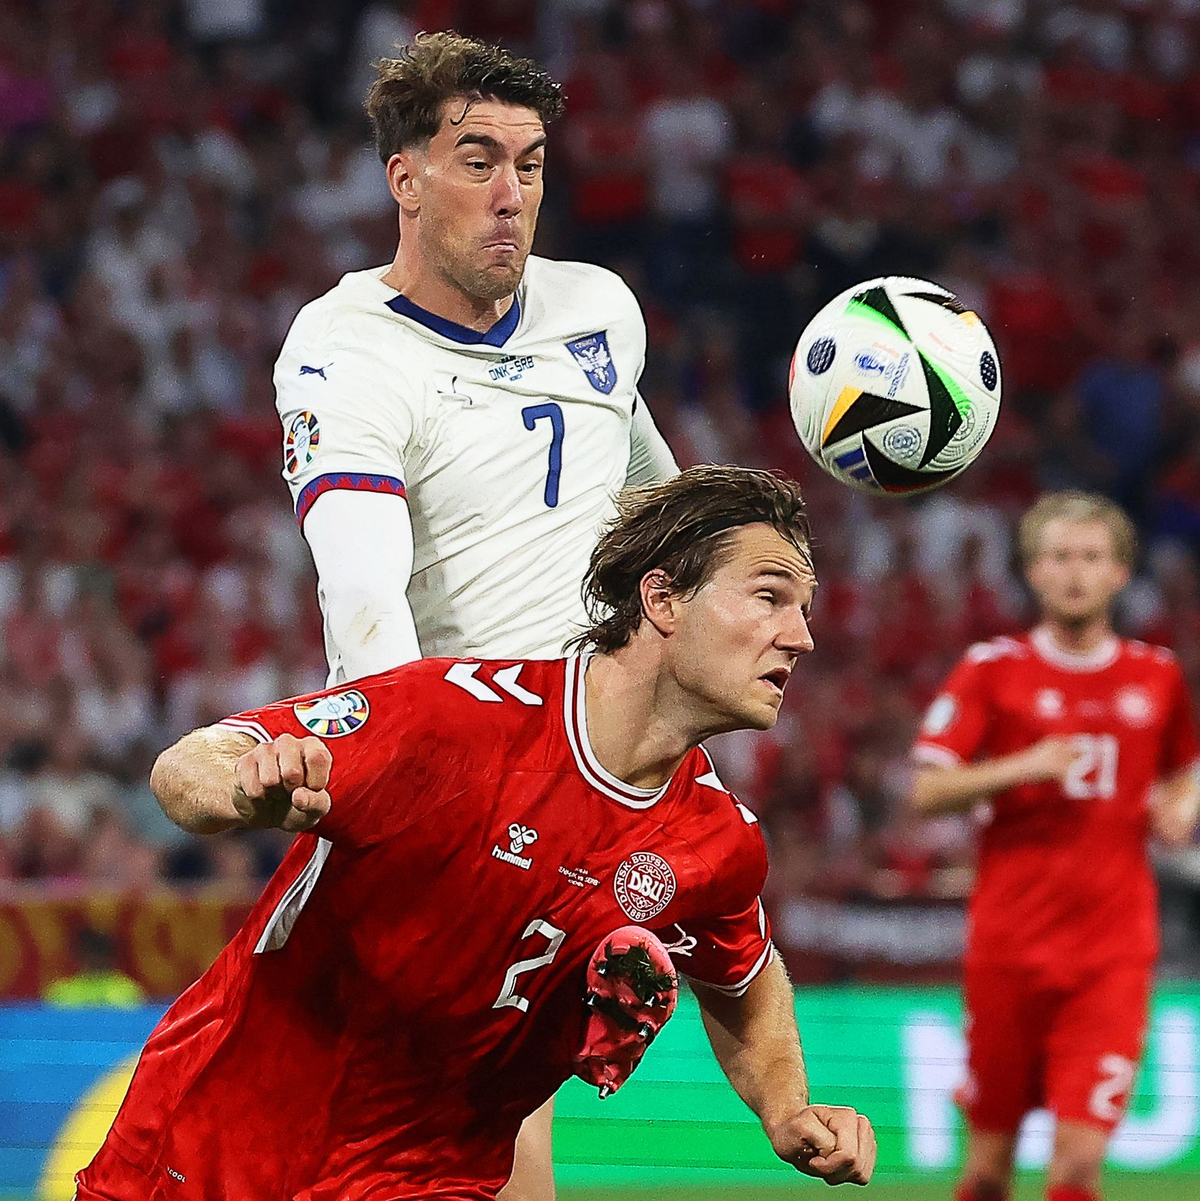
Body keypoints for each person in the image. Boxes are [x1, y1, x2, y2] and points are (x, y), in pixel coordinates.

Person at [76, 466, 876, 1200]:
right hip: (207, 1158)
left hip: (426, 1180)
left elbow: (745, 972)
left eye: (805, 609)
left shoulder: (718, 843)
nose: (801, 636)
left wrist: (785, 1104)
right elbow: (189, 766)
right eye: (770, 597)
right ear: (663, 600)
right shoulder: (451, 721)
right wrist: (245, 786)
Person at [273, 32, 678, 1196]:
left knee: (490, 1138)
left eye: (534, 164)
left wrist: (759, 550)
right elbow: (359, 592)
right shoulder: (344, 348)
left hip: (581, 778)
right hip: (451, 789)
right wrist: (426, 796)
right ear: (404, 179)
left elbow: (656, 503)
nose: (513, 195)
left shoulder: (598, 309)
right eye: (477, 159)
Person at [909, 491, 1200, 1201]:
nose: (1075, 572)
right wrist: (1024, 766)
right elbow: (926, 789)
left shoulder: (1154, 673)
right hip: (1009, 949)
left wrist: (1182, 803)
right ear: (1033, 573)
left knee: (1075, 1168)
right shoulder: (991, 668)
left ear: (1120, 573)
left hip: (1111, 956)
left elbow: (1188, 762)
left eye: (1091, 557)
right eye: (1060, 557)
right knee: (985, 1173)